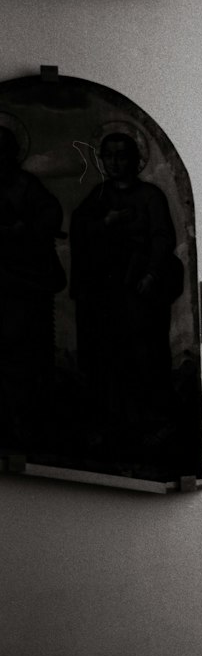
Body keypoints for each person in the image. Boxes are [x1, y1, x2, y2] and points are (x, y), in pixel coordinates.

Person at [70, 132, 182, 457]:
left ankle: (152, 425)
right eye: (110, 157)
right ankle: (113, 427)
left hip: (140, 291)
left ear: (135, 160)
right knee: (109, 360)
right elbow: (80, 228)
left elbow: (163, 237)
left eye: (122, 156)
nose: (116, 163)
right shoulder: (99, 195)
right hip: (107, 294)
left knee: (145, 357)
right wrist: (105, 221)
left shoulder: (150, 196)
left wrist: (151, 274)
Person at [0, 124, 65, 448]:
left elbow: (50, 213)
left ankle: (31, 422)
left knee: (27, 352)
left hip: (26, 281)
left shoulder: (27, 184)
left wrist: (23, 228)